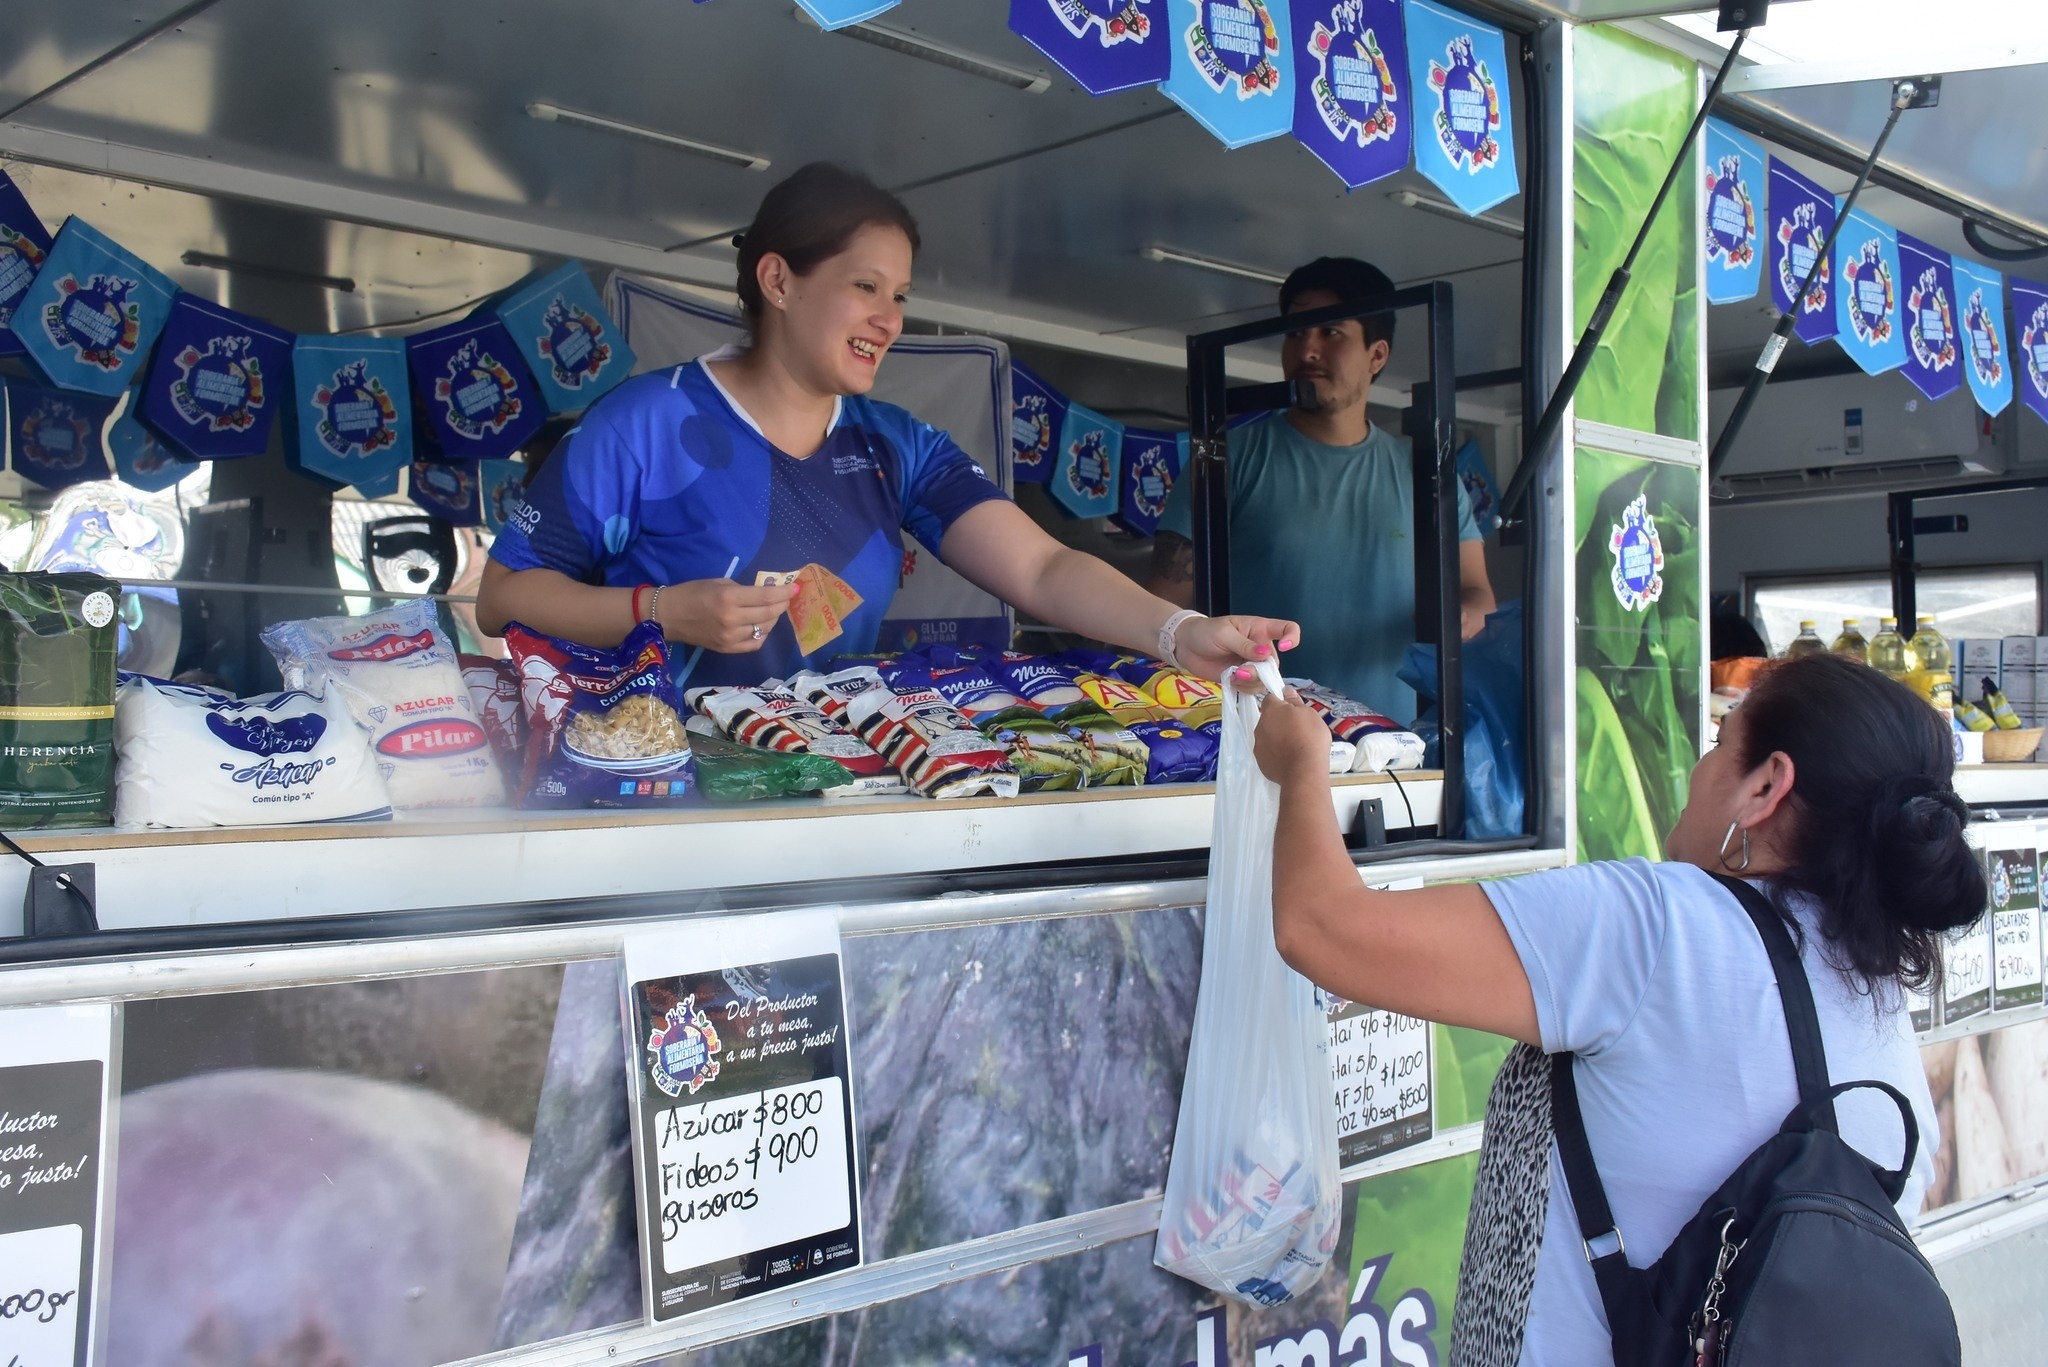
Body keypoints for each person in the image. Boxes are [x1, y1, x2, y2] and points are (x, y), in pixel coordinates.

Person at [1245, 652, 1982, 1364]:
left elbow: (1321, 927)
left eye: (1721, 745)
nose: (1698, 771)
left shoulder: (1658, 926)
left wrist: (1303, 763)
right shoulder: (1879, 992)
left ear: (1766, 788)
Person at [478, 163, 1297, 684]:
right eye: (866, 287)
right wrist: (656, 611)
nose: (890, 318)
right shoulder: (647, 421)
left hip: (823, 788)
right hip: (658, 799)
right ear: (779, 279)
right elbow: (502, 595)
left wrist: (1179, 631)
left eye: (900, 295)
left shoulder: (893, 444)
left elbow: (1043, 569)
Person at [1148, 257, 1494, 722]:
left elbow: (1478, 593)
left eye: (1330, 332)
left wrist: (1458, 620)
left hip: (1397, 748)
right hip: (1255, 739)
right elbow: (1162, 612)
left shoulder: (1428, 473)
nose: (1307, 350)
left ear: (1377, 355)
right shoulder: (1224, 460)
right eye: (1295, 332)